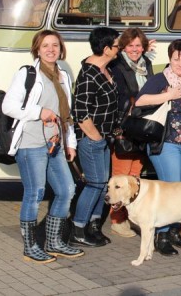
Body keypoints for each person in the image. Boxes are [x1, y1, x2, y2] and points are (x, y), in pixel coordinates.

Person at [3, 30, 84, 264]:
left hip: (55, 142)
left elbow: (65, 114)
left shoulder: (63, 75)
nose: (51, 49)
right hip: (31, 142)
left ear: (61, 49)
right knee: (35, 193)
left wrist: (71, 143)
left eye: (55, 45)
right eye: (45, 45)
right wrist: (39, 112)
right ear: (37, 49)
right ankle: (30, 247)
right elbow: (9, 106)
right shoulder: (28, 73)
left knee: (67, 189)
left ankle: (54, 241)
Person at [135, 39, 181, 256]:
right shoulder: (160, 78)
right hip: (165, 143)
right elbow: (140, 101)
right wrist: (168, 95)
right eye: (176, 59)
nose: (180, 63)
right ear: (170, 59)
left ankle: (174, 232)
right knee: (170, 191)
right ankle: (161, 235)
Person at [70, 26, 120, 247]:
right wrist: (96, 138)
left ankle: (93, 225)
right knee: (94, 184)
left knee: (102, 184)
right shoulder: (89, 74)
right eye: (117, 45)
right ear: (106, 48)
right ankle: (78, 229)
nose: (120, 49)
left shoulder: (105, 69)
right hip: (92, 140)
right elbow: (80, 112)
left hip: (104, 139)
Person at [108, 28, 155, 238]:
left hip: (142, 127)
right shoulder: (118, 66)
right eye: (131, 46)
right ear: (123, 47)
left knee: (135, 177)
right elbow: (123, 95)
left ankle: (130, 216)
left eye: (138, 46)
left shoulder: (147, 64)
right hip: (125, 127)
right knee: (119, 177)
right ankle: (117, 220)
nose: (135, 50)